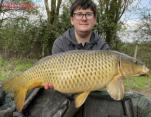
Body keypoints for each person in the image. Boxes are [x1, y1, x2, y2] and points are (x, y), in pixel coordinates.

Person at [0, 0, 151, 117]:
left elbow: (114, 92)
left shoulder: (104, 47)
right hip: (62, 91)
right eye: (79, 14)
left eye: (88, 14)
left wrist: (125, 76)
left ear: (95, 20)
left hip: (90, 94)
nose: (84, 18)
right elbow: (50, 76)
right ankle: (19, 85)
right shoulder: (60, 43)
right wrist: (44, 83)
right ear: (72, 19)